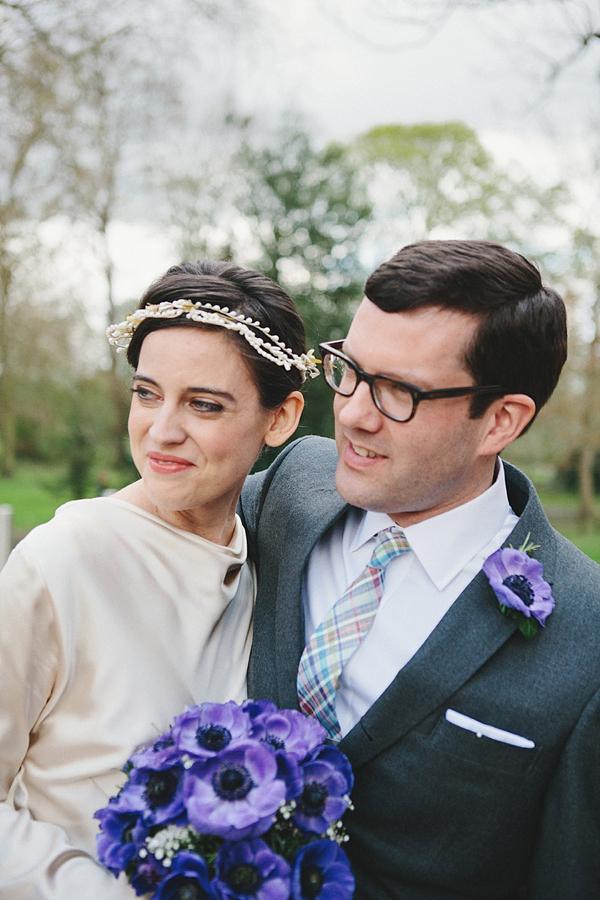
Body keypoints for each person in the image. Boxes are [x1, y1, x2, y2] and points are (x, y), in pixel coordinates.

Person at [240, 239, 600, 899]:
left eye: (398, 392)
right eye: (348, 367)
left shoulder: (590, 639)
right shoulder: (289, 489)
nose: (350, 412)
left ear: (500, 420)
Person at [0, 260, 312, 898]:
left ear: (279, 419)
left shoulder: (268, 561)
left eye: (203, 404)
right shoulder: (60, 560)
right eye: (147, 393)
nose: (162, 431)